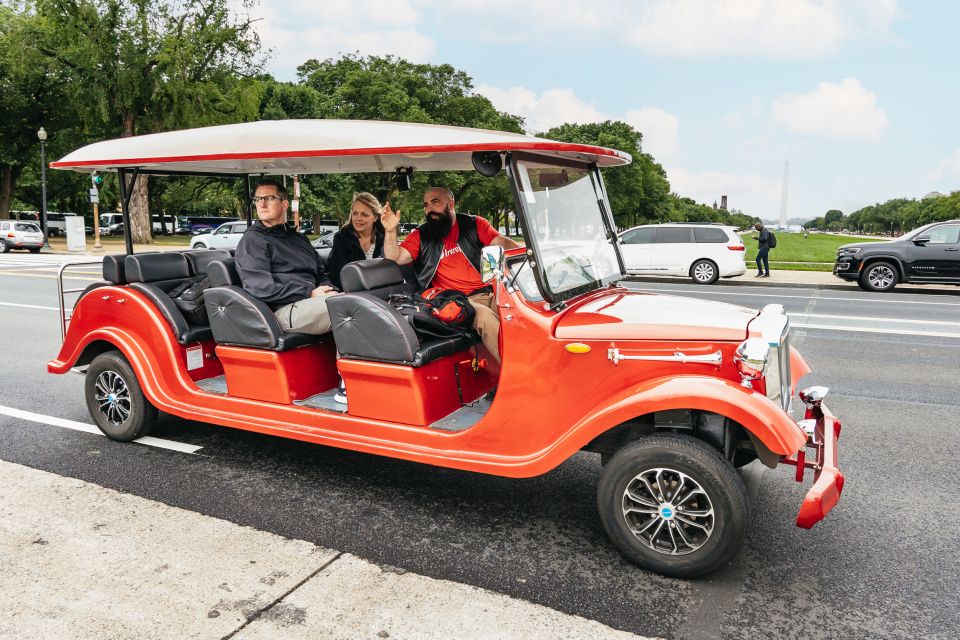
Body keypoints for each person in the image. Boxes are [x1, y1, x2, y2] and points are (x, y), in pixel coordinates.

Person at [381, 187, 520, 363]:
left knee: (517, 309)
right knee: (485, 317)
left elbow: (500, 242)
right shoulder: (421, 236)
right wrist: (391, 230)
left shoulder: (473, 224)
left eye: (435, 202)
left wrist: (524, 253)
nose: (429, 209)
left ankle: (539, 365)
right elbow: (395, 257)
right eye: (425, 205)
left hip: (490, 292)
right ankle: (517, 376)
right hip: (458, 302)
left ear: (451, 204)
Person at [235, 179, 337, 334]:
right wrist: (309, 292)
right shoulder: (253, 240)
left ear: (285, 204)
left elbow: (319, 274)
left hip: (311, 302)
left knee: (364, 302)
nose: (262, 204)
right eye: (258, 199)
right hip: (280, 311)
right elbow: (261, 287)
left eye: (269, 198)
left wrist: (330, 289)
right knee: (350, 309)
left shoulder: (298, 239)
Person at [325, 192, 386, 289]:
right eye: (355, 213)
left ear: (375, 217)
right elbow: (338, 275)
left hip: (381, 290)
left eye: (364, 214)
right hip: (351, 292)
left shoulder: (384, 237)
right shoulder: (341, 238)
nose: (358, 218)